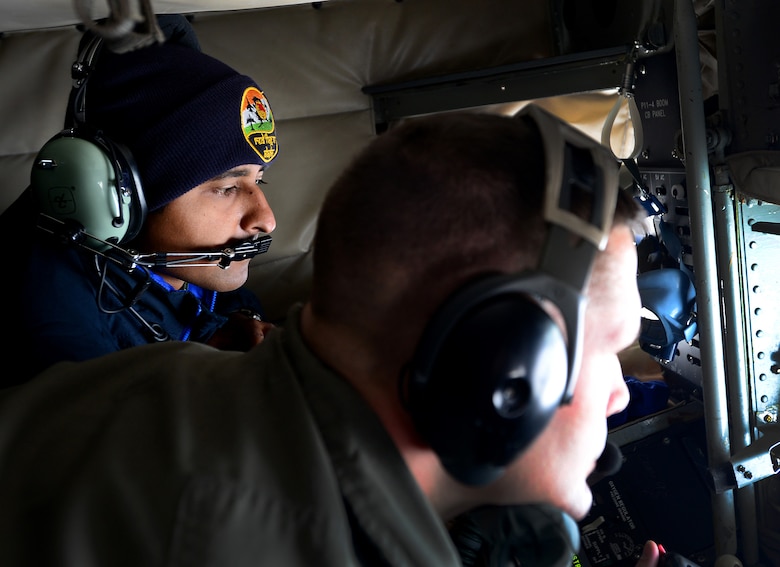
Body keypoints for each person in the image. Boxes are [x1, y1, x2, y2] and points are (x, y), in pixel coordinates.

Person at [0, 106, 660, 567]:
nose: (620, 396)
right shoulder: (238, 536)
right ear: (504, 364)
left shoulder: (176, 377)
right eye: (609, 347)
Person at [0, 16, 278, 387]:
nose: (266, 219)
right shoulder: (54, 330)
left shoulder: (177, 259)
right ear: (119, 194)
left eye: (259, 180)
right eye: (226, 188)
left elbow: (222, 299)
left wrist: (234, 324)